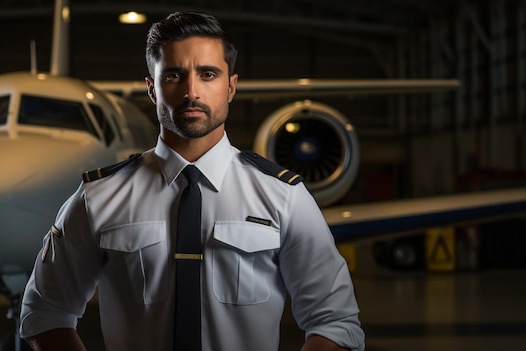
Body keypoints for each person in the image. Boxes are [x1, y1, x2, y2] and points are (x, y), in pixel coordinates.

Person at [19, 11, 365, 351]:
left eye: (208, 74)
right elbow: (44, 313)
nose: (191, 92)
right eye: (173, 75)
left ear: (231, 86)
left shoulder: (282, 196)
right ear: (152, 89)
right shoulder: (98, 198)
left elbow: (335, 322)